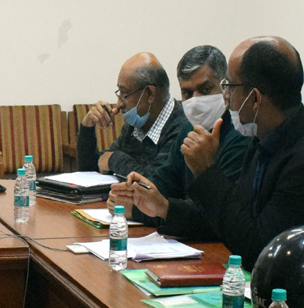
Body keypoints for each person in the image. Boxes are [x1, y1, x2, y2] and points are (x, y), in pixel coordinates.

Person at [131, 37, 304, 270]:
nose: (226, 96)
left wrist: (206, 171)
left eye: (230, 87)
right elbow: (230, 219)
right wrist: (163, 207)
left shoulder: (298, 159)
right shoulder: (261, 140)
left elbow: (257, 248)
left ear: (254, 98)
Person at [108, 46, 250, 240]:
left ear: (225, 87)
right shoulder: (189, 127)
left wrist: (153, 209)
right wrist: (138, 193)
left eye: (205, 89)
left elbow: (218, 216)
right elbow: (166, 179)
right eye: (187, 93)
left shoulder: (240, 133)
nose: (196, 100)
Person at [76, 52, 188, 178]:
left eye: (125, 94)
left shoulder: (183, 128)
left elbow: (156, 182)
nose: (118, 105)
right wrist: (88, 127)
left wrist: (114, 159)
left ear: (149, 94)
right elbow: (93, 171)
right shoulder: (137, 125)